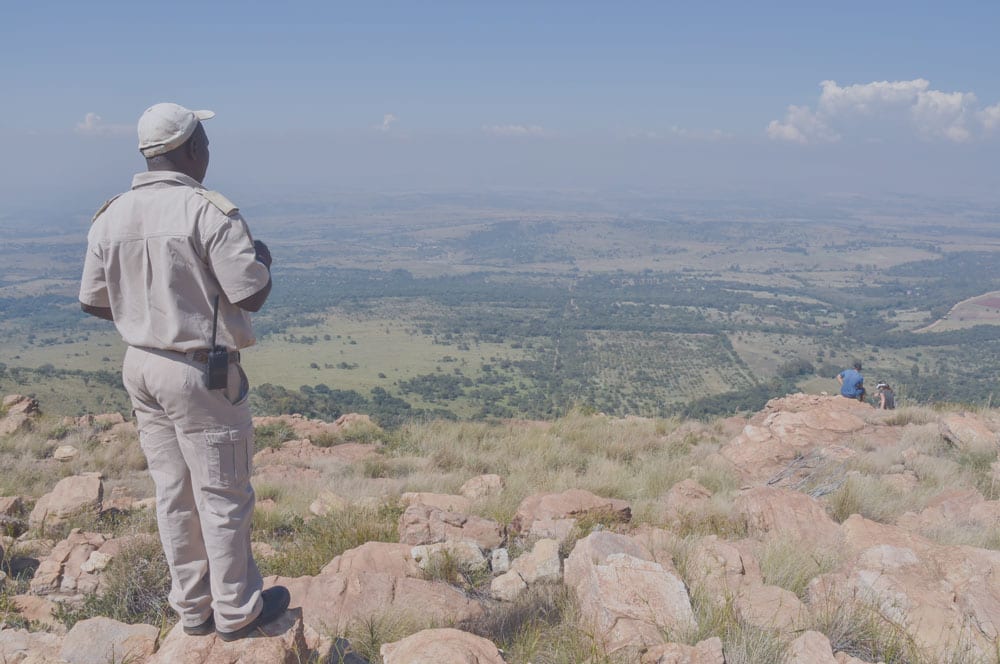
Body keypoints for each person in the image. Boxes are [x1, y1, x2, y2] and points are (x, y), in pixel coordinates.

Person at [79, 103, 289, 641]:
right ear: (193, 148)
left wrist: (145, 309)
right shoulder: (208, 212)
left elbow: (93, 301)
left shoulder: (112, 214)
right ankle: (237, 611)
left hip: (140, 365)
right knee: (223, 493)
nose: (208, 151)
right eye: (205, 142)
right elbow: (250, 293)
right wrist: (263, 260)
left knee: (173, 493)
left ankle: (193, 609)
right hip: (198, 369)